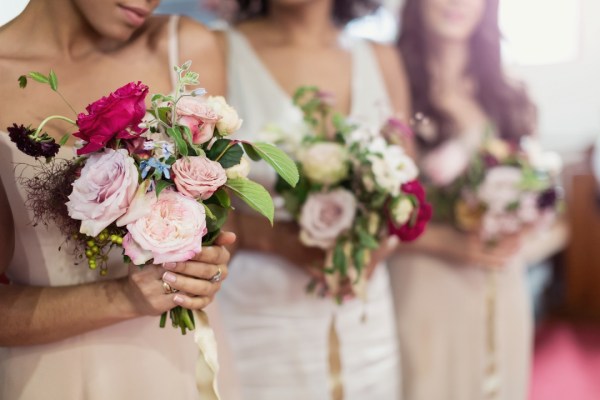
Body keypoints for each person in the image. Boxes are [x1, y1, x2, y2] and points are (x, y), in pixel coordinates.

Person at [0, 1, 234, 399]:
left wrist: (207, 267)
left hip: (180, 367)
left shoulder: (182, 46)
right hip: (53, 376)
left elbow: (217, 224)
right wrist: (122, 296)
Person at [214, 0, 411, 399]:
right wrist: (275, 239)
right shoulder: (217, 50)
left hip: (365, 315)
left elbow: (405, 192)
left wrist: (372, 250)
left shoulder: (381, 58)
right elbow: (194, 203)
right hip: (261, 313)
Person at [389, 0, 542, 399]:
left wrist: (521, 221)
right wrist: (450, 243)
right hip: (423, 277)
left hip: (500, 279)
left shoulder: (508, 96)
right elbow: (378, 212)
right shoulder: (391, 86)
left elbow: (536, 191)